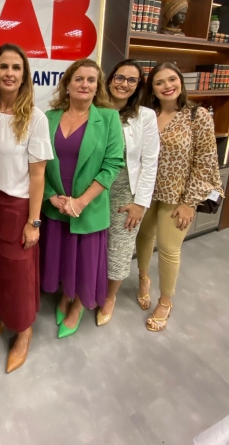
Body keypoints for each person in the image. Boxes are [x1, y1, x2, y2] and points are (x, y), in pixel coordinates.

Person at [0, 44, 53, 373]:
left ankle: (23, 331)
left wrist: (34, 222)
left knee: (19, 275)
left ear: (24, 76)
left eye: (16, 67)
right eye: (4, 67)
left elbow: (38, 175)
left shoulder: (35, 118)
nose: (9, 73)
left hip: (18, 207)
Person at [136, 62, 223, 331]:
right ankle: (143, 279)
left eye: (172, 79)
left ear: (181, 82)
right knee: (143, 236)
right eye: (159, 82)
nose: (167, 86)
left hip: (178, 195)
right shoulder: (146, 114)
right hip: (146, 191)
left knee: (169, 249)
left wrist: (189, 203)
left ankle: (165, 301)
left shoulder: (197, 115)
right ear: (152, 88)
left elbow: (205, 161)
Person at [40, 58, 124, 338]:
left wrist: (80, 202)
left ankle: (76, 306)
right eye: (78, 79)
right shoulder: (48, 118)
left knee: (84, 263)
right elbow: (37, 162)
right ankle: (65, 296)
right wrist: (51, 196)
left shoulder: (108, 118)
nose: (84, 84)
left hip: (88, 208)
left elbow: (112, 165)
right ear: (67, 84)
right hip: (56, 207)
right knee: (64, 258)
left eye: (91, 80)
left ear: (98, 86)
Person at [97, 60, 159, 326]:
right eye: (120, 77)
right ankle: (86, 290)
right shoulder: (95, 108)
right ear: (110, 79)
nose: (124, 84)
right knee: (93, 245)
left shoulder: (145, 116)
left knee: (119, 249)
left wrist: (140, 204)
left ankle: (109, 297)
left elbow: (150, 162)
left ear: (138, 86)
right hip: (94, 191)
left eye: (132, 80)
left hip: (126, 193)